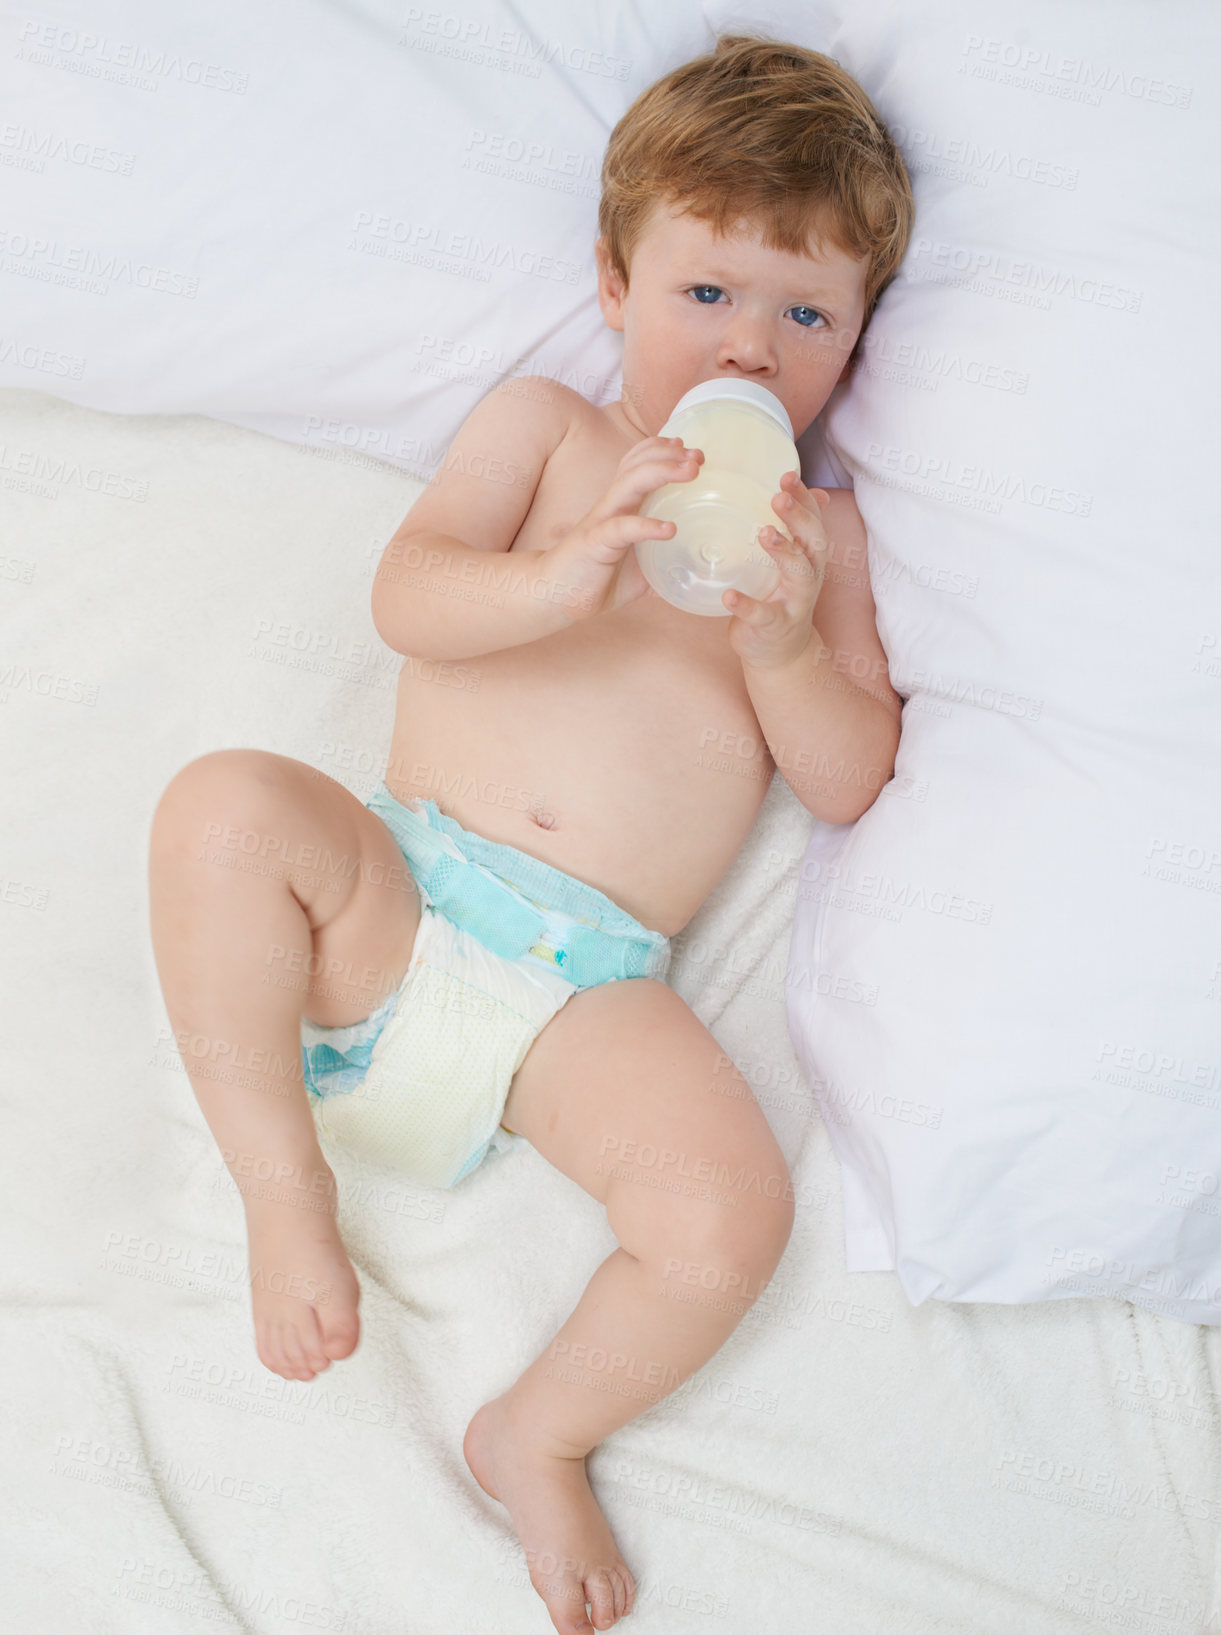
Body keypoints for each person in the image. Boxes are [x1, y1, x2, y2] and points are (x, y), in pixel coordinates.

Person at [147, 31, 912, 1635]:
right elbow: (408, 594)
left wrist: (776, 644)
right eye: (706, 292)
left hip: (587, 996)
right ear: (613, 280)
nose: (750, 351)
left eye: (806, 314)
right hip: (400, 899)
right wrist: (558, 573)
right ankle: (280, 1186)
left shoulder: (821, 541)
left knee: (728, 1212)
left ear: (856, 339)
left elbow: (846, 780)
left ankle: (540, 1431)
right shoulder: (549, 432)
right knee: (219, 805)